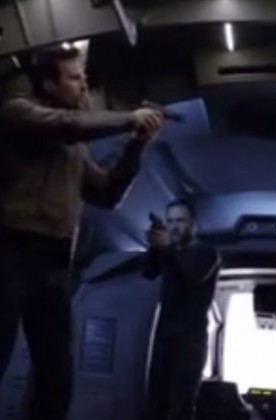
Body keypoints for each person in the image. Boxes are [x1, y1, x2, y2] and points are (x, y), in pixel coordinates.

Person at [0, 45, 164, 420]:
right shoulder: (18, 112)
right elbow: (68, 125)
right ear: (48, 84)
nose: (84, 86)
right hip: (10, 256)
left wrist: (137, 146)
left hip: (54, 265)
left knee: (57, 378)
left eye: (84, 78)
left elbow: (106, 194)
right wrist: (130, 118)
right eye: (75, 78)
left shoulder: (75, 150)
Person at [143, 199, 221, 420]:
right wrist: (154, 248)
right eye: (169, 221)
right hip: (164, 335)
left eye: (180, 221)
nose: (174, 227)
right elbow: (148, 272)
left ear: (193, 225)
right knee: (154, 401)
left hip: (190, 339)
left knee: (182, 405)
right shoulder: (170, 253)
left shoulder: (208, 252)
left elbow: (191, 275)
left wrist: (166, 248)